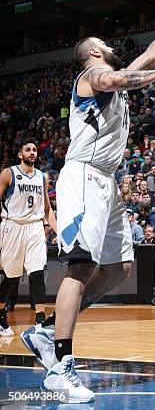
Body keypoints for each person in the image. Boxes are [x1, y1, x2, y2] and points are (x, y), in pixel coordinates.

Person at [20, 0, 155, 402]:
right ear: (93, 53)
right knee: (80, 268)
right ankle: (61, 369)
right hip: (83, 177)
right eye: (104, 44)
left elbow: (151, 54)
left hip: (106, 181)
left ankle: (47, 334)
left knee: (119, 267)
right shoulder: (90, 77)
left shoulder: (110, 85)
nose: (111, 47)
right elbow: (123, 76)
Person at [0, 140, 56, 336]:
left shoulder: (42, 177)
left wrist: (58, 233)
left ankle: (41, 319)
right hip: (12, 226)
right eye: (27, 150)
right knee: (11, 277)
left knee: (37, 272)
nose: (32, 152)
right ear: (20, 154)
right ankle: (0, 313)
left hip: (34, 227)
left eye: (34, 150)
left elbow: (48, 210)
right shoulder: (8, 173)